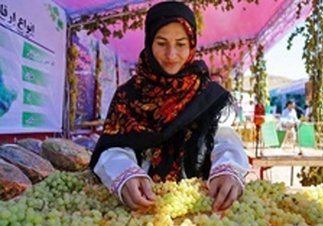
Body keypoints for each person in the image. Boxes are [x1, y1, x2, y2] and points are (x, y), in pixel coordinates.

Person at [89, 1, 249, 212]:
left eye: (181, 44)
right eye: (162, 43)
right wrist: (124, 173)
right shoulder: (128, 96)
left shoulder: (207, 94)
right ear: (149, 42)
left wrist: (228, 169)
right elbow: (113, 146)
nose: (171, 54)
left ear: (192, 44)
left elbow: (224, 138)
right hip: (140, 209)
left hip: (200, 210)